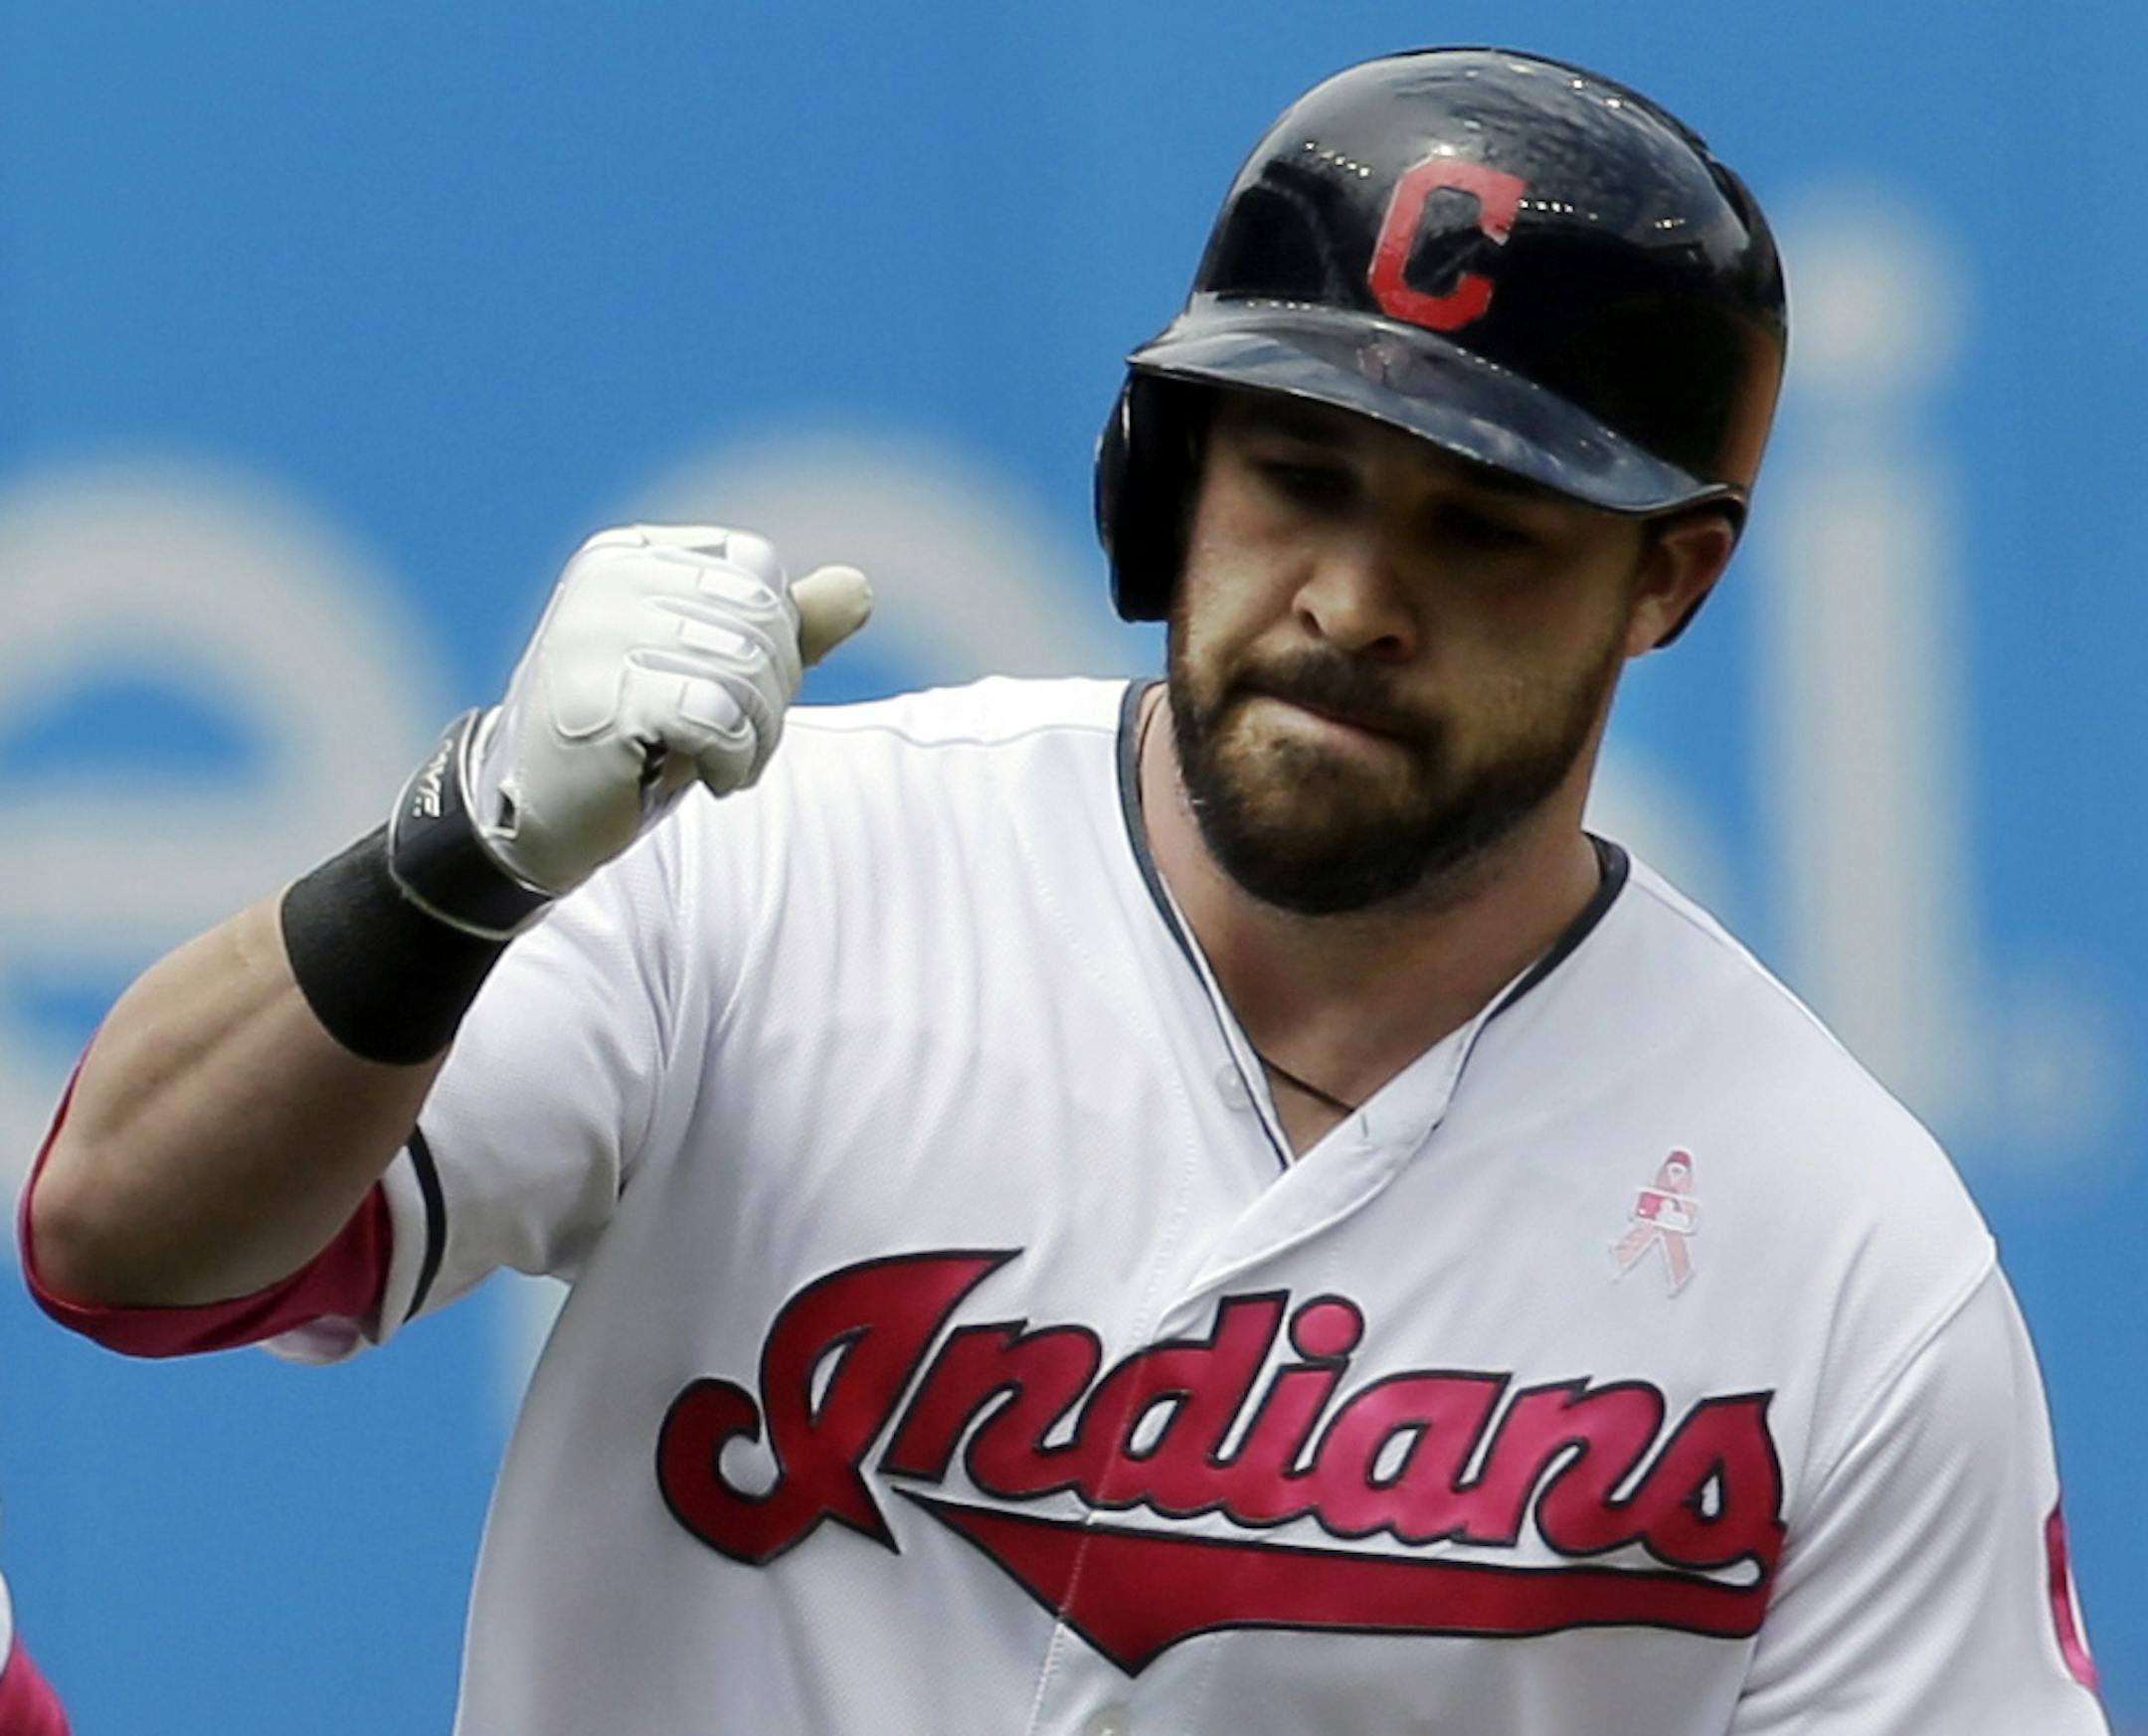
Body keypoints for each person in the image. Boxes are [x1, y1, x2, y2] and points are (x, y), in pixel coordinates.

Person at [14, 46, 2107, 1735]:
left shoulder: (1842, 1256)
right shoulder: (781, 872)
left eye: (1485, 530)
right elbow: (130, 1244)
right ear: (1168, 474)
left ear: (1673, 576)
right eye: (1299, 475)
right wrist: (454, 858)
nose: (1355, 598)